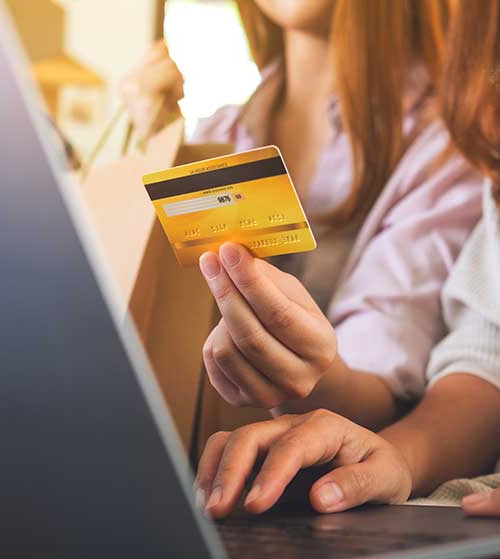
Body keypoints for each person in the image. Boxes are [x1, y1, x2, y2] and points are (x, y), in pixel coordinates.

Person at [0, 0, 500, 559]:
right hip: (467, 544)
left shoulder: (458, 123)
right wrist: (401, 455)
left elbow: (398, 365)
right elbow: (495, 345)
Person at [121, 0, 481, 432]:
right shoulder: (217, 135)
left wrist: (302, 376)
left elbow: (380, 393)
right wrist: (153, 146)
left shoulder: (448, 144)